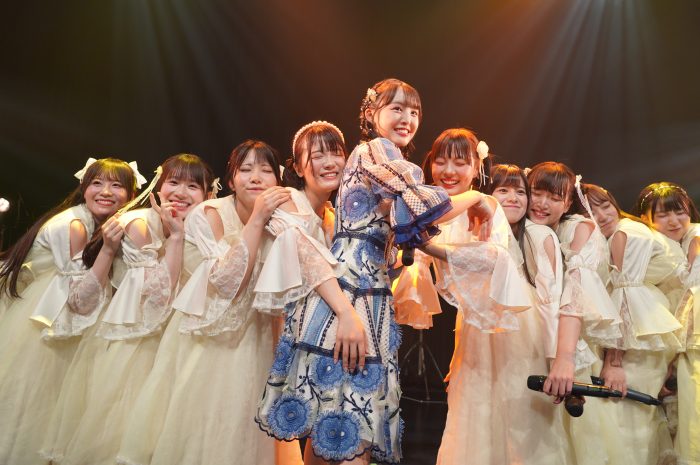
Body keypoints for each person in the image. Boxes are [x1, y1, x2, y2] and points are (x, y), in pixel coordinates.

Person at [256, 79, 493, 465]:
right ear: (371, 113)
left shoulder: (385, 160)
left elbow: (409, 225)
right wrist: (477, 196)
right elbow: (421, 207)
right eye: (396, 108)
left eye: (414, 111)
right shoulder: (375, 151)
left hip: (367, 294)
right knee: (352, 434)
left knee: (330, 429)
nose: (407, 118)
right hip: (351, 294)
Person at [40, 154, 215, 465]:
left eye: (192, 186)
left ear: (208, 194)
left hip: (167, 337)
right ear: (158, 187)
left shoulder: (196, 226)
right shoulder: (139, 224)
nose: (180, 193)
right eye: (173, 182)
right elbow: (158, 297)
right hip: (134, 341)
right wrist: (176, 238)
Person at [0, 158, 138, 465]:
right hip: (47, 321)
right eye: (97, 183)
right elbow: (80, 300)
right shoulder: (74, 225)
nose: (106, 191)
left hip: (63, 315)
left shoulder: (96, 223)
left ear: (131, 195)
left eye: (116, 185)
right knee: (36, 408)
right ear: (83, 188)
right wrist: (108, 250)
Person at [526, 162, 621, 465]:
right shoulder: (529, 227)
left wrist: (565, 358)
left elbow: (576, 296)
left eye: (554, 198)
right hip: (541, 335)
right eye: (536, 193)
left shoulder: (580, 229)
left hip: (575, 340)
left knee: (573, 439)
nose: (542, 203)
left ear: (568, 204)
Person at [586, 182, 683, 464]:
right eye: (591, 212)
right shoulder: (632, 230)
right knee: (638, 423)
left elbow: (625, 297)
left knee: (628, 424)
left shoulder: (625, 233)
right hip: (648, 332)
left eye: (605, 206)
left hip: (637, 339)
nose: (602, 216)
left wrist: (614, 362)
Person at [632, 182, 700, 465]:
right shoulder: (653, 244)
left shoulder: (696, 236)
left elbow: (692, 293)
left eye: (680, 212)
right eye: (663, 215)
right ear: (645, 218)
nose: (674, 221)